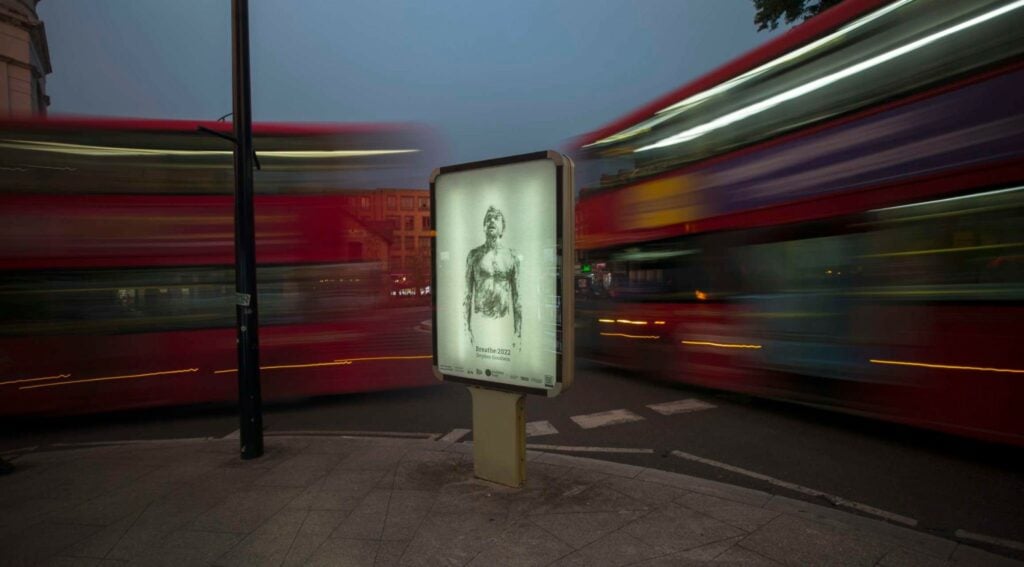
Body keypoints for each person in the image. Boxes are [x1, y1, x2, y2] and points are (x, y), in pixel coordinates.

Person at [464, 206, 522, 350]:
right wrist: (466, 330)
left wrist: (518, 333)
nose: (491, 221)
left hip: (504, 324)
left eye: (496, 218)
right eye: (488, 218)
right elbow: (467, 295)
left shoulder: (512, 256)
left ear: (503, 228)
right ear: (484, 227)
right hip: (479, 323)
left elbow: (517, 298)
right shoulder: (474, 256)